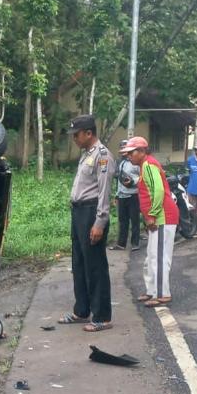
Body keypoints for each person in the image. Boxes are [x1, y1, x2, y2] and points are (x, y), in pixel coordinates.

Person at [59, 114, 113, 332]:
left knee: (95, 266)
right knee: (79, 264)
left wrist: (100, 222)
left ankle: (102, 316)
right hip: (79, 213)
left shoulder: (102, 156)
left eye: (77, 135)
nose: (74, 139)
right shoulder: (86, 155)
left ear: (89, 133)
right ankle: (82, 310)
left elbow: (104, 192)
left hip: (92, 213)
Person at [125, 136, 178, 308]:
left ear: (141, 151)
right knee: (152, 256)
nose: (128, 156)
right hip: (158, 217)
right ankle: (152, 290)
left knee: (160, 257)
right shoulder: (144, 165)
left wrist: (152, 215)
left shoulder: (149, 165)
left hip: (163, 217)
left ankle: (162, 294)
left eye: (131, 153)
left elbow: (159, 190)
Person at [110, 142, 141, 251]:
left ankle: (135, 243)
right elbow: (118, 181)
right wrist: (117, 195)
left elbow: (142, 177)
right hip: (122, 196)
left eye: (125, 149)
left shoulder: (136, 163)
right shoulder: (120, 163)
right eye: (122, 149)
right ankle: (121, 244)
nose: (123, 152)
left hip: (133, 196)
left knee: (134, 220)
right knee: (123, 221)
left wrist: (133, 181)